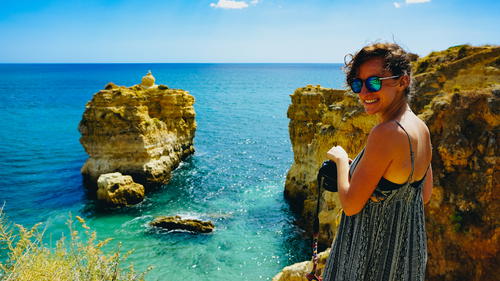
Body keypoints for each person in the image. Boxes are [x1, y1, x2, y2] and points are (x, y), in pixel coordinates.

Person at [322, 43, 433, 281]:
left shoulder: (386, 132)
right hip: (405, 257)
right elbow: (423, 194)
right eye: (357, 84)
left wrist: (342, 162)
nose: (363, 92)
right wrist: (361, 172)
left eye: (374, 82)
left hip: (369, 258)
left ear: (403, 81)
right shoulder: (420, 128)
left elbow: (351, 205)